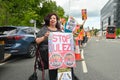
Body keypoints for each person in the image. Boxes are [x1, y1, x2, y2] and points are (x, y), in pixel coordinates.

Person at [35, 13, 79, 80]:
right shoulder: (44, 29)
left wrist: (71, 38)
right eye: (51, 18)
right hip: (49, 55)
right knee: (53, 70)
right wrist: (44, 37)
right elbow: (37, 41)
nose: (52, 19)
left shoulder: (60, 30)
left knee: (67, 66)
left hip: (61, 55)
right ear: (48, 20)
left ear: (56, 20)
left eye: (54, 18)